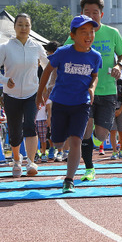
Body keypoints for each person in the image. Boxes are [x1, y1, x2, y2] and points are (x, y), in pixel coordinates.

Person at [65, 0, 122, 181]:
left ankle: (89, 142)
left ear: (101, 14)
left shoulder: (112, 33)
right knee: (85, 130)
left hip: (108, 90)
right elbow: (65, 52)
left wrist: (119, 66)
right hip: (85, 90)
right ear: (81, 13)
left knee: (101, 134)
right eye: (87, 12)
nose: (91, 16)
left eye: (95, 12)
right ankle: (89, 168)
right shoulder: (76, 33)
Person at [36, 15, 101, 193]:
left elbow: (94, 75)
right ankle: (57, 141)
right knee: (57, 143)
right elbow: (47, 70)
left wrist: (92, 88)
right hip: (60, 103)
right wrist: (40, 93)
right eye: (83, 32)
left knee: (75, 141)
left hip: (82, 104)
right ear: (72, 35)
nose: (89, 36)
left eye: (91, 32)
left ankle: (69, 179)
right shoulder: (63, 53)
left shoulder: (95, 56)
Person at [0, 13, 48, 178]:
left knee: (30, 125)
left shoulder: (36, 46)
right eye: (20, 24)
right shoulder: (5, 47)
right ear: (14, 27)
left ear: (31, 27)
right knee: (15, 131)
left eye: (27, 25)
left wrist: (46, 87)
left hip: (32, 93)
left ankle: (31, 162)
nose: (24, 28)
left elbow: (48, 67)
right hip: (11, 95)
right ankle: (17, 160)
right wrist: (4, 79)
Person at [110, 78, 122, 159]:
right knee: (112, 131)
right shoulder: (108, 81)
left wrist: (120, 109)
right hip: (110, 110)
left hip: (121, 110)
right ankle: (114, 151)